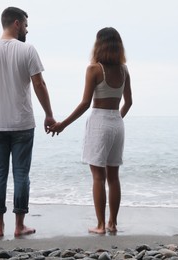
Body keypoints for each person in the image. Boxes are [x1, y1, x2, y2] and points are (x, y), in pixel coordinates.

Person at [0, 7, 55, 238]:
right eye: (26, 25)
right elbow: (40, 85)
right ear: (17, 23)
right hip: (23, 125)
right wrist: (49, 114)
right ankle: (19, 226)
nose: (27, 30)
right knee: (21, 175)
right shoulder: (27, 50)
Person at [49, 27, 132, 234]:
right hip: (117, 123)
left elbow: (86, 103)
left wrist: (63, 124)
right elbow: (129, 102)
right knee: (114, 176)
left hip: (100, 122)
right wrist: (115, 120)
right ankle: (113, 223)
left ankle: (100, 225)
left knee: (98, 177)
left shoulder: (94, 69)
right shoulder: (124, 70)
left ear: (99, 44)